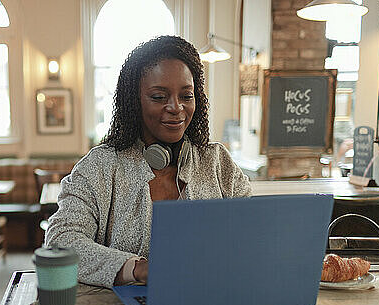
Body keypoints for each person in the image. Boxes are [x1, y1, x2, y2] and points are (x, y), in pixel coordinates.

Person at [45, 35, 251, 288]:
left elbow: (252, 233)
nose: (176, 107)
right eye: (158, 97)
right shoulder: (99, 167)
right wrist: (136, 268)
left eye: (186, 96)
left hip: (212, 299)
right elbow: (61, 240)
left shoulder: (217, 162)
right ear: (135, 102)